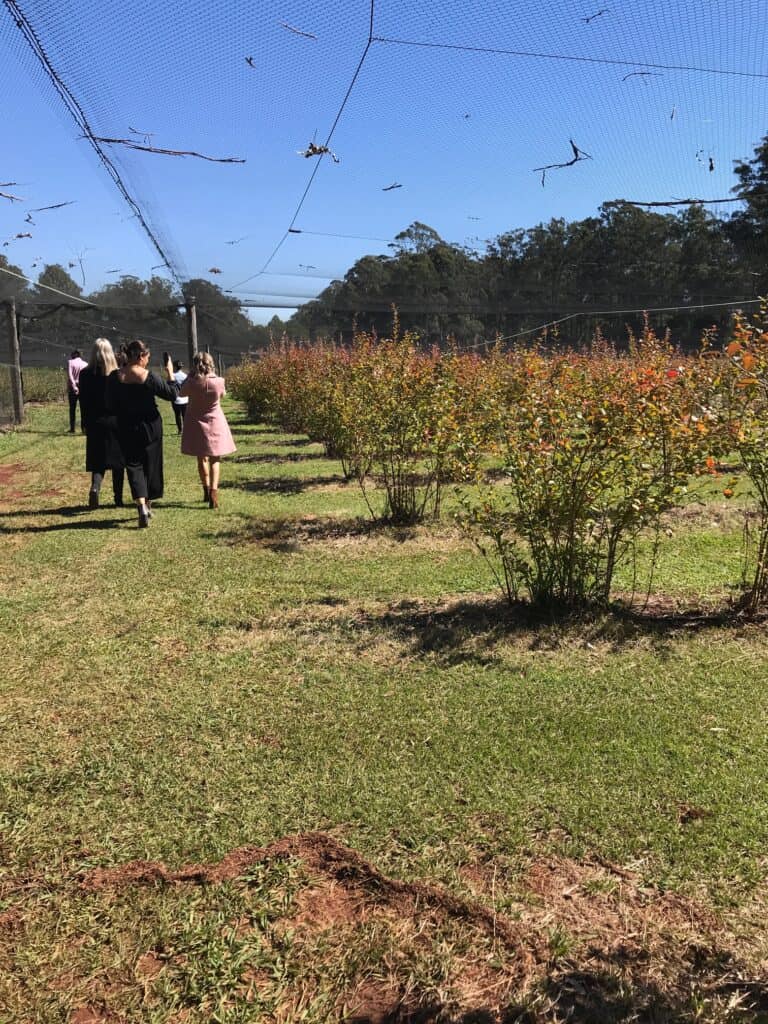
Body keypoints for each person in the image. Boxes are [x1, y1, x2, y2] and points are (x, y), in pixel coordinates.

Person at [107, 339, 178, 528]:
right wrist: (170, 372)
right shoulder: (148, 376)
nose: (148, 360)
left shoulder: (115, 376)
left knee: (133, 464)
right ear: (140, 357)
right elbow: (172, 394)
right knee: (151, 463)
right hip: (150, 425)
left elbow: (109, 401)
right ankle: (149, 503)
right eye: (147, 357)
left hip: (126, 426)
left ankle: (141, 506)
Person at [180, 351, 236, 509]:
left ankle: (205, 489)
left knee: (201, 458)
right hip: (215, 421)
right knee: (215, 459)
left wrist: (189, 377)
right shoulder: (219, 381)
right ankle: (214, 491)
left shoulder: (191, 382)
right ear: (211, 364)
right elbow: (223, 395)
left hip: (196, 422)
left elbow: (181, 392)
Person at [78, 338, 125, 509]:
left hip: (94, 422)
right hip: (115, 422)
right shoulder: (117, 375)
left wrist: (84, 422)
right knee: (119, 462)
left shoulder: (85, 375)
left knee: (98, 460)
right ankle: (118, 499)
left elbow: (82, 401)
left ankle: (95, 488)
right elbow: (121, 402)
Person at [66, 349, 88, 433]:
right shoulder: (86, 364)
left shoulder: (70, 362)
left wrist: (74, 386)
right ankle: (84, 428)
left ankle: (72, 428)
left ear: (75, 354)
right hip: (83, 387)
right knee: (83, 408)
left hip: (73, 387)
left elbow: (70, 375)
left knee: (72, 408)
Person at [172, 360, 188, 433]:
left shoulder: (172, 376)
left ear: (175, 367)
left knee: (177, 414)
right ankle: (186, 429)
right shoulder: (185, 376)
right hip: (185, 399)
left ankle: (180, 430)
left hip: (175, 399)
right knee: (184, 415)